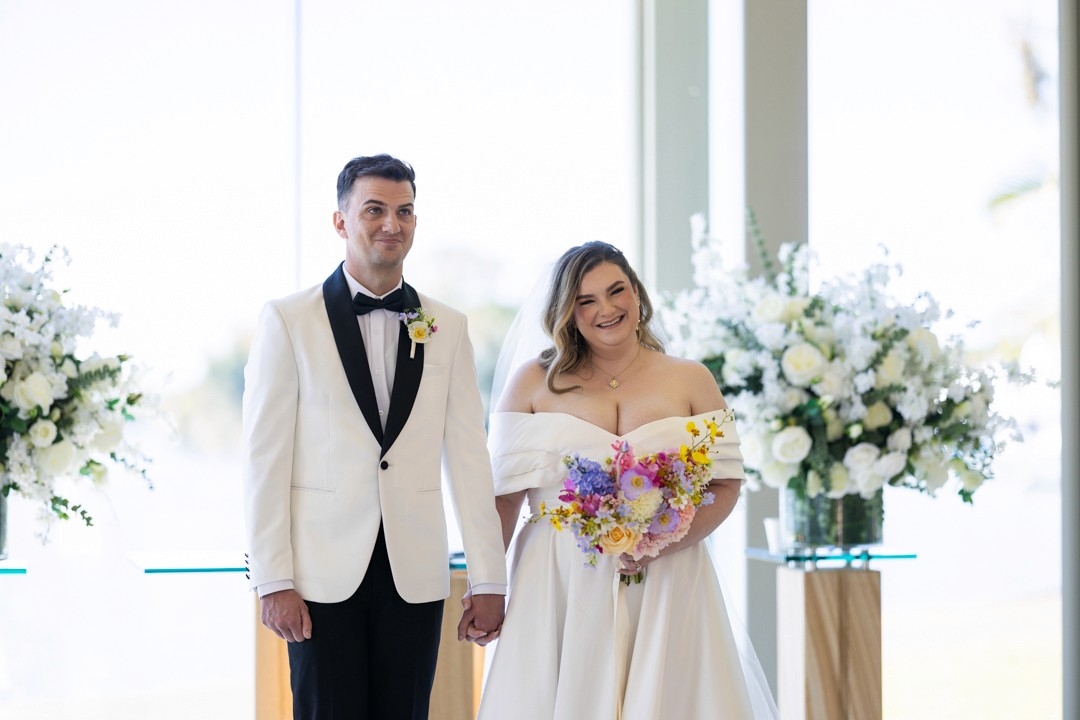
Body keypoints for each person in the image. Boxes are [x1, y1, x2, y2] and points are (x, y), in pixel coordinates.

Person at [242, 153, 507, 719]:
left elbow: (468, 459)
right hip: (319, 576)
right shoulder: (288, 321)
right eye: (375, 210)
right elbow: (264, 461)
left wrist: (488, 578)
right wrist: (273, 578)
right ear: (341, 221)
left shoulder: (449, 326)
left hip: (415, 575)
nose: (393, 223)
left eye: (405, 211)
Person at [476, 241, 779, 719]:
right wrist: (486, 588)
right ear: (567, 313)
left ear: (637, 294)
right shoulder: (533, 381)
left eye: (617, 291)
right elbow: (504, 498)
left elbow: (725, 485)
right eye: (586, 300)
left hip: (670, 574)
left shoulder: (691, 378)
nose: (607, 308)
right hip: (558, 576)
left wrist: (658, 544)